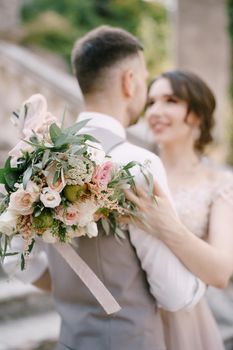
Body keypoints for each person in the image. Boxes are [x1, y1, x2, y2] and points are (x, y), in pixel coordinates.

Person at [3, 28, 206, 350]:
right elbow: (175, 294)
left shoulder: (35, 159)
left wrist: (77, 294)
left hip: (70, 341)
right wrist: (199, 286)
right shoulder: (137, 163)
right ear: (130, 81)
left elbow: (15, 260)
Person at [125, 70, 233, 350]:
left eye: (170, 100)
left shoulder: (220, 183)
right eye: (151, 102)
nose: (156, 112)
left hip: (191, 319)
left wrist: (167, 225)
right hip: (131, 317)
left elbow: (221, 273)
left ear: (196, 113)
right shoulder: (134, 174)